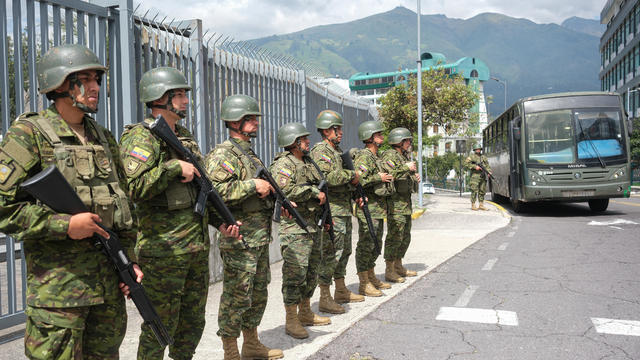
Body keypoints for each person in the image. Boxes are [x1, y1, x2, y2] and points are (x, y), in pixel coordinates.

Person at [0, 44, 140, 359]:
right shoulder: (28, 135)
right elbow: (4, 207)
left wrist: (129, 261)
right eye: (85, 79)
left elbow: (125, 206)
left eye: (97, 79)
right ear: (60, 84)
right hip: (59, 297)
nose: (95, 87)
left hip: (107, 292)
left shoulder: (103, 137)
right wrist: (65, 225)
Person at [119, 67, 239, 360]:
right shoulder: (142, 137)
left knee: (192, 324)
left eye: (185, 94)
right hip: (164, 253)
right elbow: (133, 187)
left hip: (196, 250)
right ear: (160, 97)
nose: (186, 100)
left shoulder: (184, 137)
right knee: (160, 326)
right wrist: (172, 168)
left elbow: (200, 190)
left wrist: (220, 221)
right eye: (180, 95)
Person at [204, 94, 283, 360]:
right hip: (239, 238)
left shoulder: (250, 154)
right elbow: (215, 191)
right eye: (249, 118)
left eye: (255, 117)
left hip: (259, 237)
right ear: (235, 121)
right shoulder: (224, 154)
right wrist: (253, 186)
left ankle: (251, 343)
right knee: (237, 295)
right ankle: (230, 350)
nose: (256, 122)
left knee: (257, 292)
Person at [269, 122, 332, 339]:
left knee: (311, 271)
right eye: (304, 139)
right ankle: (291, 319)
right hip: (295, 228)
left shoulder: (308, 162)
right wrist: (313, 193)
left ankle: (305, 312)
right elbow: (285, 188)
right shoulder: (284, 164)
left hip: (312, 225)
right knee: (295, 275)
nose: (308, 142)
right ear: (294, 142)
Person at [309, 110, 364, 313]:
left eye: (340, 128)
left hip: (342, 209)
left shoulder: (337, 150)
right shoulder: (321, 151)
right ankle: (325, 296)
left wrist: (354, 191)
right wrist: (352, 175)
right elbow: (328, 177)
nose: (340, 132)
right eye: (335, 128)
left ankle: (340, 289)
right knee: (332, 254)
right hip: (331, 210)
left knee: (345, 251)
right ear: (325, 130)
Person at [353, 120, 394, 296]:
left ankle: (371, 275)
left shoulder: (376, 157)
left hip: (378, 207)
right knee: (366, 244)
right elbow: (358, 179)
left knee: (376, 242)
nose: (381, 136)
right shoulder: (364, 157)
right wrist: (378, 178)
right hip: (368, 207)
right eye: (377, 134)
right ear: (368, 137)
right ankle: (363, 282)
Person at [381, 127, 420, 282]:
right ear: (399, 141)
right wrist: (406, 168)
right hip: (395, 203)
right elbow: (390, 173)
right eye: (407, 140)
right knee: (394, 236)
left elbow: (404, 174)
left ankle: (398, 265)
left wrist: (413, 176)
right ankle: (389, 269)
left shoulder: (404, 156)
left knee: (405, 236)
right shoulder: (389, 155)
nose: (409, 143)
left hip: (405, 203)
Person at [464, 144, 492, 211]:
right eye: (477, 149)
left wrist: (489, 172)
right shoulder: (471, 157)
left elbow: (487, 165)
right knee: (474, 190)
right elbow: (466, 164)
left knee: (482, 190)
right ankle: (473, 205)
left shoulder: (483, 157)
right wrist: (475, 167)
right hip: (475, 176)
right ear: (474, 150)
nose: (478, 150)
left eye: (479, 149)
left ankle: (481, 205)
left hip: (482, 175)